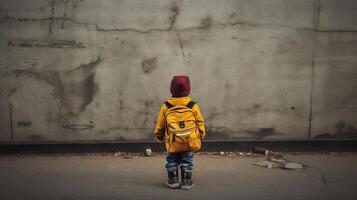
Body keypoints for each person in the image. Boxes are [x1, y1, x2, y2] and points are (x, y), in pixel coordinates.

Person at [154, 75, 205, 190]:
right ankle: (186, 181)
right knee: (187, 160)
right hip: (189, 141)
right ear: (188, 90)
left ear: (172, 89)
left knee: (171, 159)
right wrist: (201, 134)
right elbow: (200, 122)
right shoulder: (193, 106)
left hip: (172, 142)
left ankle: (173, 180)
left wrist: (159, 135)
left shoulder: (166, 106)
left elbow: (161, 123)